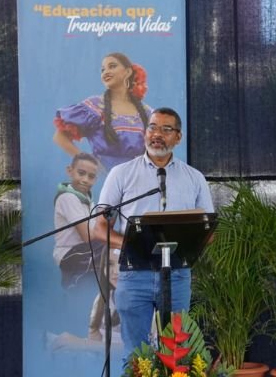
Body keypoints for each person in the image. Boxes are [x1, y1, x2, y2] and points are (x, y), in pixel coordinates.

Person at [94, 107, 214, 361]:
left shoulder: (194, 178)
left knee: (177, 353)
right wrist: (133, 244)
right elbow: (100, 226)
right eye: (152, 127)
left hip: (177, 275)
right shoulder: (121, 174)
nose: (157, 134)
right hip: (134, 273)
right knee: (135, 355)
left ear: (178, 137)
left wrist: (190, 243)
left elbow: (207, 229)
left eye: (166, 129)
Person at [52, 152, 119, 341]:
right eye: (81, 173)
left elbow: (99, 228)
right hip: (73, 254)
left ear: (96, 179)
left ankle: (109, 316)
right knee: (114, 252)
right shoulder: (68, 198)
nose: (85, 179)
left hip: (87, 252)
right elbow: (88, 235)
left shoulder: (87, 199)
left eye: (91, 176)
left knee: (113, 258)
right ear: (70, 171)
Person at [53, 52, 152, 170]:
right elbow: (60, 137)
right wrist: (90, 164)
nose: (106, 72)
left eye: (112, 66)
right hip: (105, 179)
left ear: (128, 72)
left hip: (136, 177)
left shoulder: (146, 112)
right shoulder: (95, 106)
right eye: (103, 69)